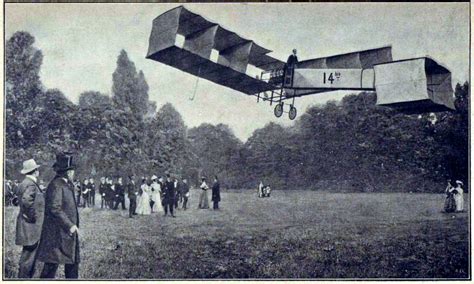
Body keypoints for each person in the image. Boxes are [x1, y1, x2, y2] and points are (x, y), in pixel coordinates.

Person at [38, 152, 80, 279]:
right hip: (57, 234)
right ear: (67, 172)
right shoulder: (56, 185)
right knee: (51, 266)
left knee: (72, 263)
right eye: (72, 171)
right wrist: (70, 225)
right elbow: (55, 209)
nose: (74, 173)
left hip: (66, 233)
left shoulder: (65, 184)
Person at [15, 159, 45, 278]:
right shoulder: (31, 184)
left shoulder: (25, 183)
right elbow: (26, 201)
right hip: (31, 227)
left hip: (27, 225)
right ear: (35, 171)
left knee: (28, 254)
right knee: (29, 256)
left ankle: (24, 278)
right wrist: (33, 218)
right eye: (37, 169)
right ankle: (23, 279)